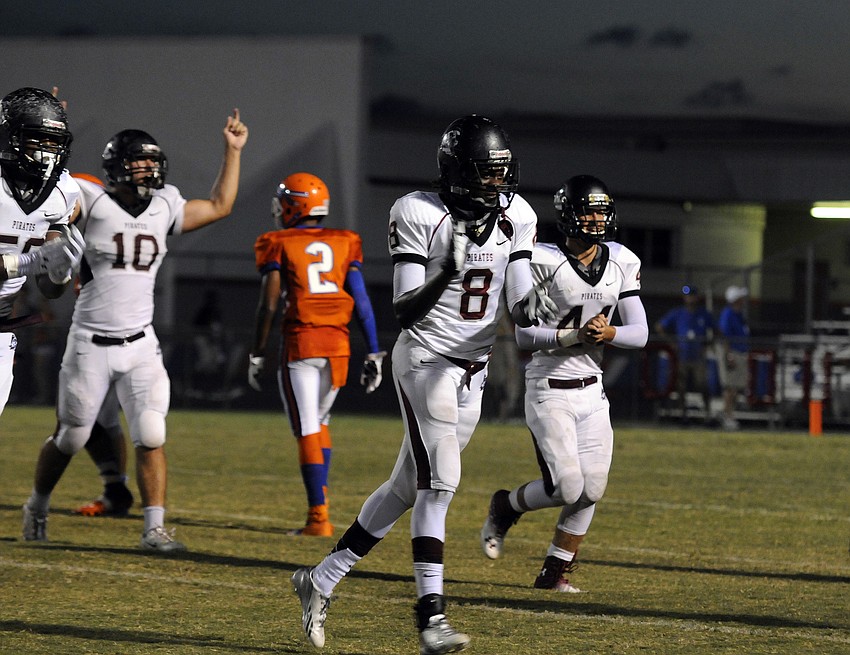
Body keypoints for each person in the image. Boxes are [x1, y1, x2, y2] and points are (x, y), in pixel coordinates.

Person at [290, 114, 557, 654]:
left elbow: (519, 293)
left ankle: (320, 578)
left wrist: (530, 303)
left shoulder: (519, 215)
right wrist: (445, 271)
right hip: (426, 360)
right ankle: (430, 620)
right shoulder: (418, 211)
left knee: (406, 488)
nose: (498, 185)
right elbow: (405, 310)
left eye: (503, 173)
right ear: (458, 172)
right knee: (440, 486)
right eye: (487, 174)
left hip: (472, 371)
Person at [22, 111, 249, 550]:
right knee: (70, 436)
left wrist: (232, 151)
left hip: (141, 343)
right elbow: (51, 200)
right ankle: (36, 506)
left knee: (151, 433)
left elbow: (220, 206)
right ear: (117, 165)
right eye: (140, 162)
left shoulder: (166, 204)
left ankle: (154, 527)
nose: (149, 169)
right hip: (90, 341)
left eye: (152, 162)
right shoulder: (89, 198)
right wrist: (47, 139)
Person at [480, 175, 648, 592]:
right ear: (568, 214)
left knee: (592, 489)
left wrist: (608, 334)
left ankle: (552, 575)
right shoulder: (540, 259)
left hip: (593, 389)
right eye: (587, 210)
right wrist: (574, 336)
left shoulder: (622, 259)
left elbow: (640, 332)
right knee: (567, 486)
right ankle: (505, 505)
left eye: (600, 210)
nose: (595, 218)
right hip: (549, 385)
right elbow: (523, 335)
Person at [248, 171, 385, 537]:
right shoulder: (345, 240)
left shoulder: (277, 241)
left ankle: (318, 518)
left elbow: (269, 304)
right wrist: (373, 351)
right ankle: (319, 509)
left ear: (294, 205)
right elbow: (361, 300)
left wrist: (257, 352)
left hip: (302, 343)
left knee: (307, 425)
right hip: (339, 346)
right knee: (320, 423)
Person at [0, 87, 86, 417]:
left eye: (53, 143)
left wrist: (60, 268)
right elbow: (29, 262)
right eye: (37, 139)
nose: (47, 152)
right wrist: (26, 262)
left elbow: (50, 290)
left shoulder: (63, 191)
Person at [655, 284, 714, 423]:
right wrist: (671, 343)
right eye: (687, 296)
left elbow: (716, 330)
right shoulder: (678, 313)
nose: (690, 299)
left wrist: (707, 345)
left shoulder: (703, 314)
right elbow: (659, 326)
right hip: (681, 355)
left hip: (698, 356)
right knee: (681, 385)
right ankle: (683, 414)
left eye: (692, 295)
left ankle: (707, 413)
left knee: (702, 384)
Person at [717, 285, 749, 430]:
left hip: (739, 352)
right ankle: (727, 415)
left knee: (736, 387)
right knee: (730, 387)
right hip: (732, 352)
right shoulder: (728, 314)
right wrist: (728, 354)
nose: (743, 300)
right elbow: (724, 335)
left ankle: (729, 413)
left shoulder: (737, 314)